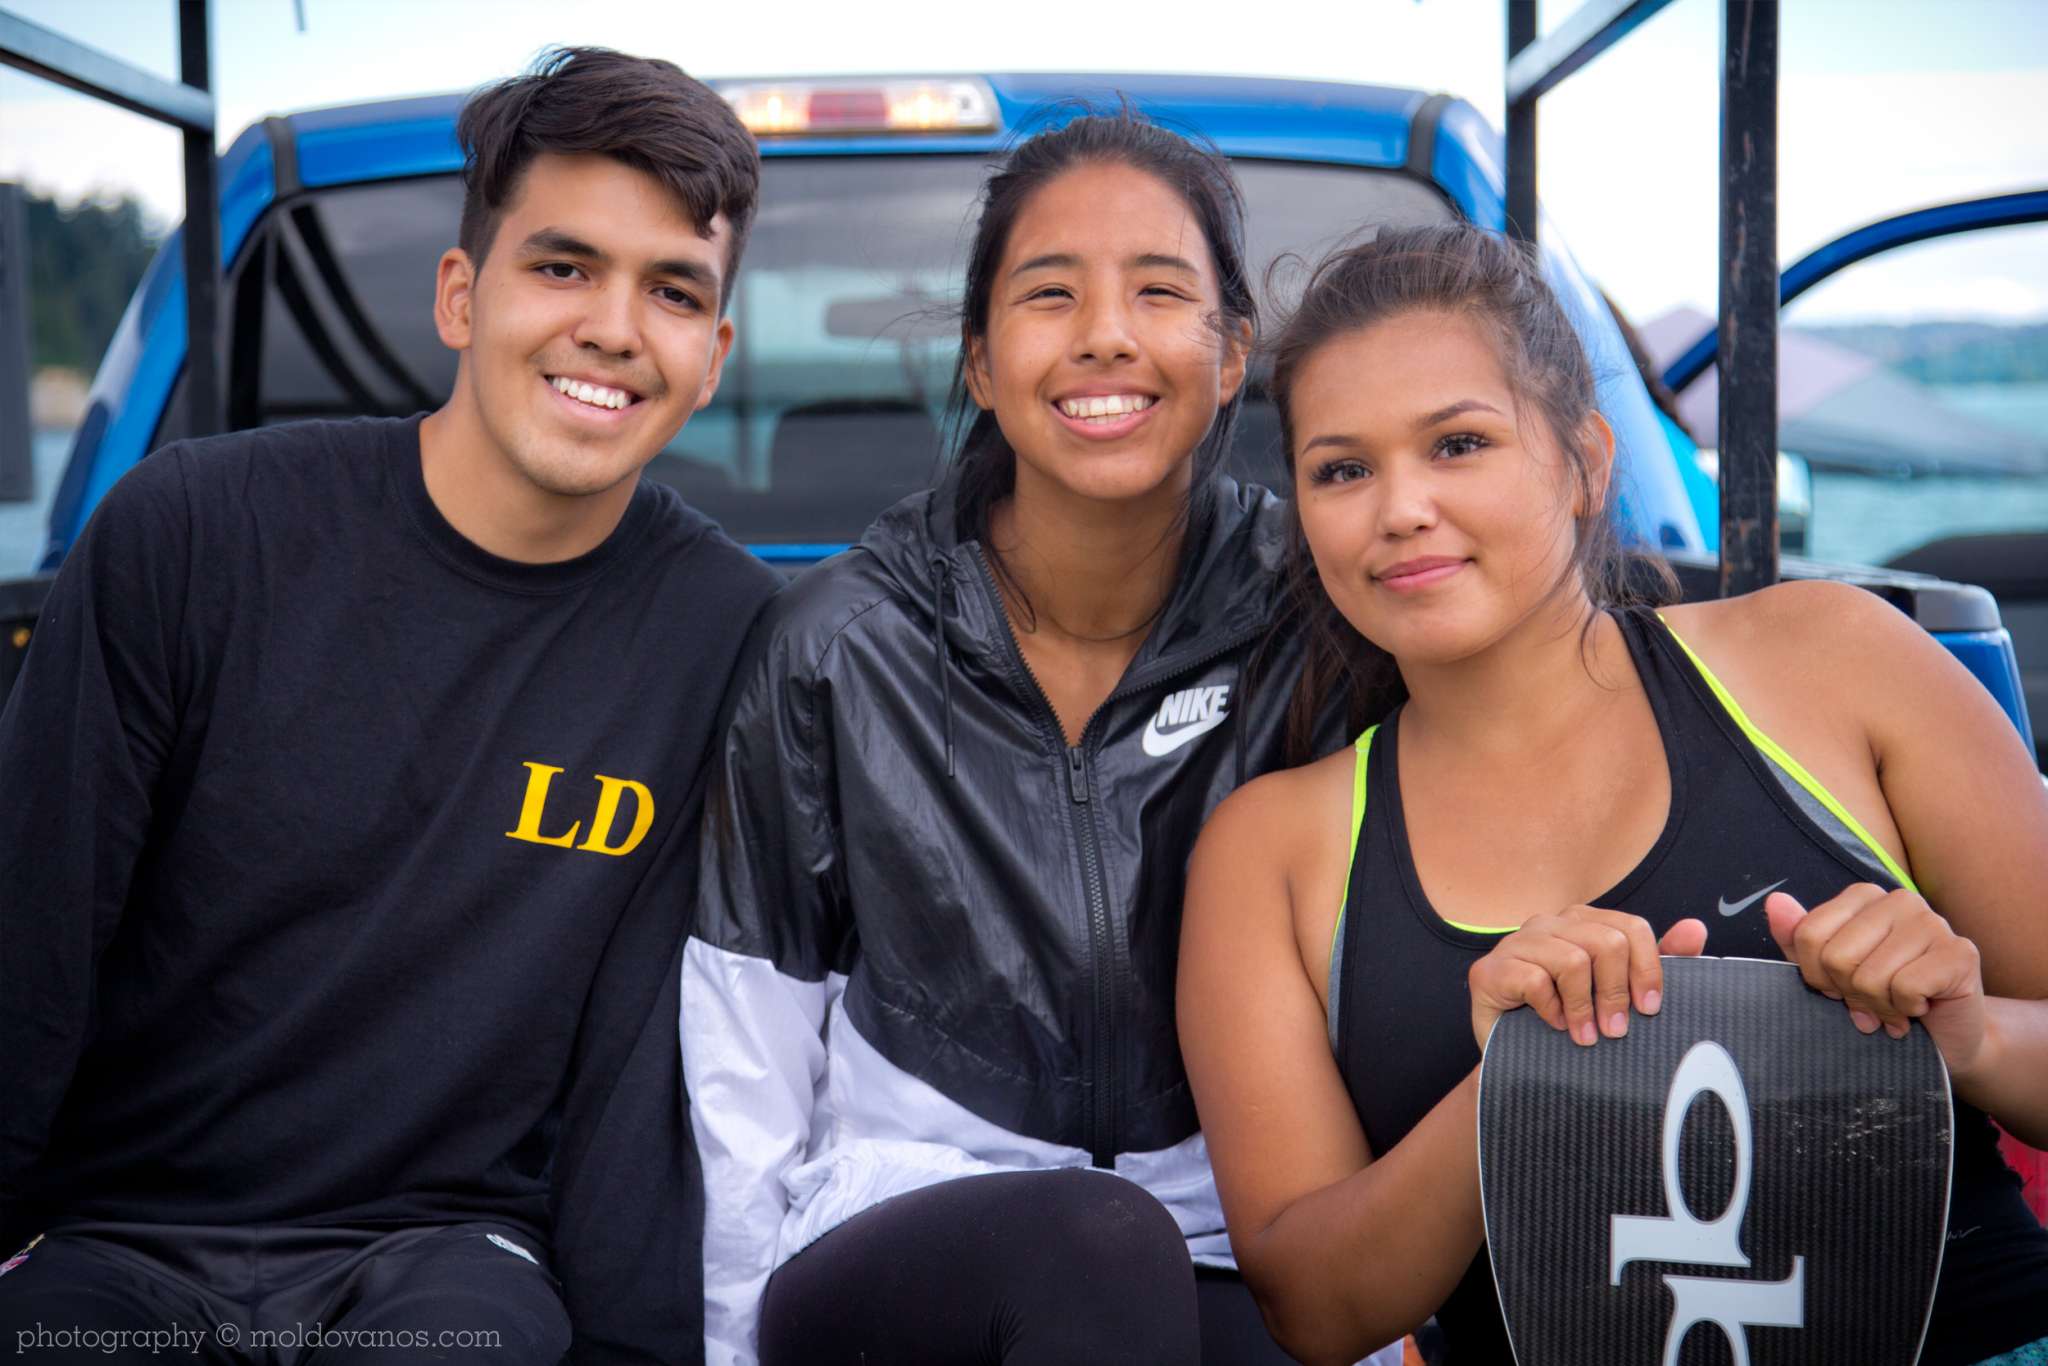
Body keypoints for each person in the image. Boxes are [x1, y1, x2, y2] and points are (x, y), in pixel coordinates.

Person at [0, 47, 777, 1364]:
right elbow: (28, 946)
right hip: (117, 1240)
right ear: (461, 296)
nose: (612, 326)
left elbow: (644, 1078)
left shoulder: (726, 637)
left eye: (672, 291)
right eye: (563, 264)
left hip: (451, 1256)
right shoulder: (194, 534)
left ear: (712, 354)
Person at [1177, 223, 2048, 1366]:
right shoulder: (1268, 851)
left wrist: (1969, 1035)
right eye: (1342, 469)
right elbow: (1315, 1305)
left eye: (1456, 445)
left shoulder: (1831, 657)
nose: (1397, 509)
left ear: (1584, 463)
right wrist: (1508, 1084)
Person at [683, 111, 1400, 1366]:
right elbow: (749, 1035)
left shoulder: (1331, 613)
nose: (1105, 334)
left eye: (1157, 291)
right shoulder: (838, 640)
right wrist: (737, 1348)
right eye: (1049, 292)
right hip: (892, 1224)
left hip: (1227, 1223)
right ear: (978, 361)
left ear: (1231, 354)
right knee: (1095, 1242)